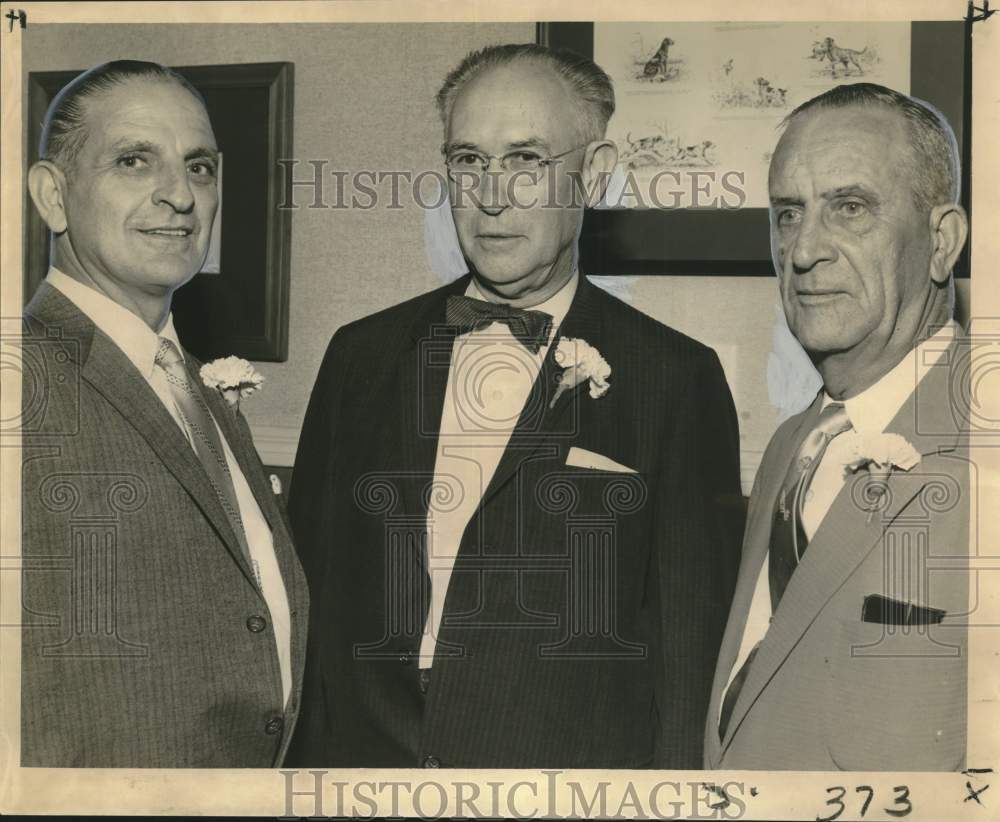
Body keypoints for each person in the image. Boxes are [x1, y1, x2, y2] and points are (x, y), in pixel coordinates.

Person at [289, 43, 742, 769]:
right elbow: (308, 600)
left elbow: (690, 659)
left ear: (593, 174)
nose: (490, 195)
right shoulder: (360, 356)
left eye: (526, 160)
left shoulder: (675, 378)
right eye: (468, 161)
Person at [21, 60, 308, 767]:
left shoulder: (196, 388)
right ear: (52, 197)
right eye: (132, 160)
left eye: (200, 168)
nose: (179, 194)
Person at [704, 83, 971, 771]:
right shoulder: (792, 446)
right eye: (788, 214)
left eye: (849, 209)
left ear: (942, 243)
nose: (803, 251)